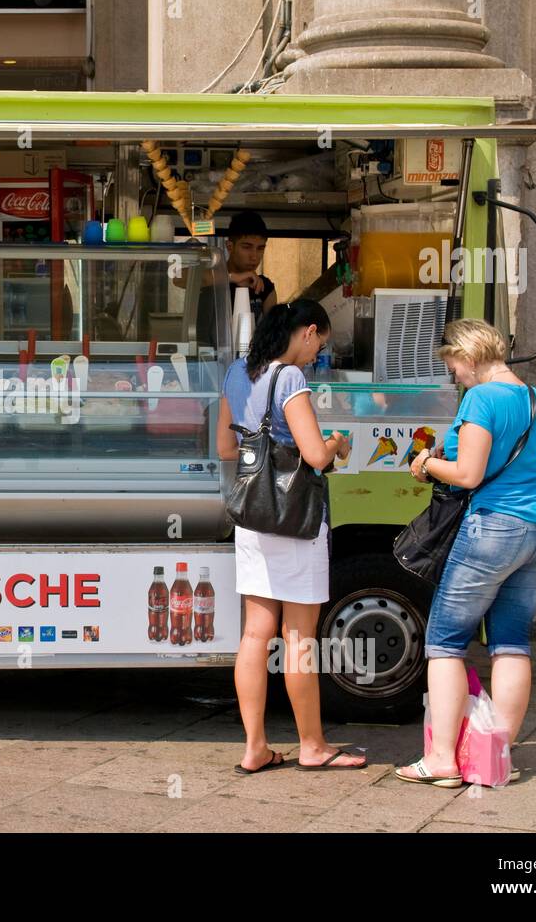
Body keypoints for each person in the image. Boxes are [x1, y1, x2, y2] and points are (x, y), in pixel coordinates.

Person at [395, 319, 536, 788]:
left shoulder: (482, 398)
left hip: (494, 528)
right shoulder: (534, 397)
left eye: (454, 367)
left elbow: (466, 473)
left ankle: (443, 758)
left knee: (444, 642)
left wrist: (426, 465)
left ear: (467, 355)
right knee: (511, 642)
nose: (455, 376)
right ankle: (493, 756)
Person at [216, 299, 364, 774]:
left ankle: (255, 747)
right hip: (295, 520)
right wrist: (338, 443)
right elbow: (316, 456)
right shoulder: (291, 378)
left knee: (255, 634)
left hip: (253, 518)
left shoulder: (238, 372)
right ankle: (312, 746)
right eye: (318, 342)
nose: (316, 353)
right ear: (306, 332)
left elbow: (224, 445)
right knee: (298, 635)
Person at [194, 209, 278, 347]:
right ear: (229, 246)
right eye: (247, 247)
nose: (254, 256)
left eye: (260, 248)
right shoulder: (212, 278)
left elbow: (274, 334)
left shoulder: (264, 287)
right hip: (206, 359)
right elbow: (179, 278)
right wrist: (233, 278)